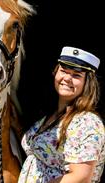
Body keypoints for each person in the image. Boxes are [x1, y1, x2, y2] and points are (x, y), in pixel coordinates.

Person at [18, 46, 105, 183]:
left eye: (76, 75)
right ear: (55, 73)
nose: (67, 78)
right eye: (64, 71)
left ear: (87, 83)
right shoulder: (50, 115)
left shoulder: (87, 122)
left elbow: (80, 177)